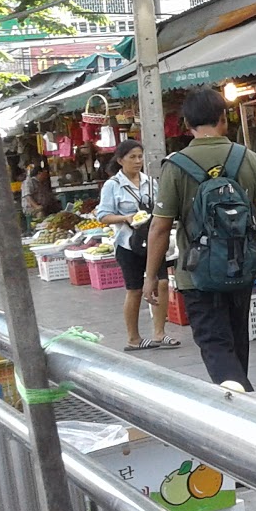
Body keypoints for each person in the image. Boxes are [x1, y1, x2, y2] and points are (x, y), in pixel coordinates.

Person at [143, 88, 256, 392]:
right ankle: (243, 403)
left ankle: (245, 403)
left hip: (196, 274)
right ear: (225, 118)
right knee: (236, 341)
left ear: (186, 124)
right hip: (242, 269)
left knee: (214, 344)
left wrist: (151, 276)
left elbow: (158, 228)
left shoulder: (175, 166)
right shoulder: (250, 159)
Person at [96, 140, 178, 352]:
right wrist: (126, 218)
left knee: (161, 283)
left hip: (153, 240)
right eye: (132, 157)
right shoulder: (113, 185)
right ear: (120, 159)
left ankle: (160, 333)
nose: (137, 161)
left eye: (140, 156)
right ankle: (133, 338)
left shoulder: (150, 183)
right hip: (127, 243)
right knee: (134, 289)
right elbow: (103, 216)